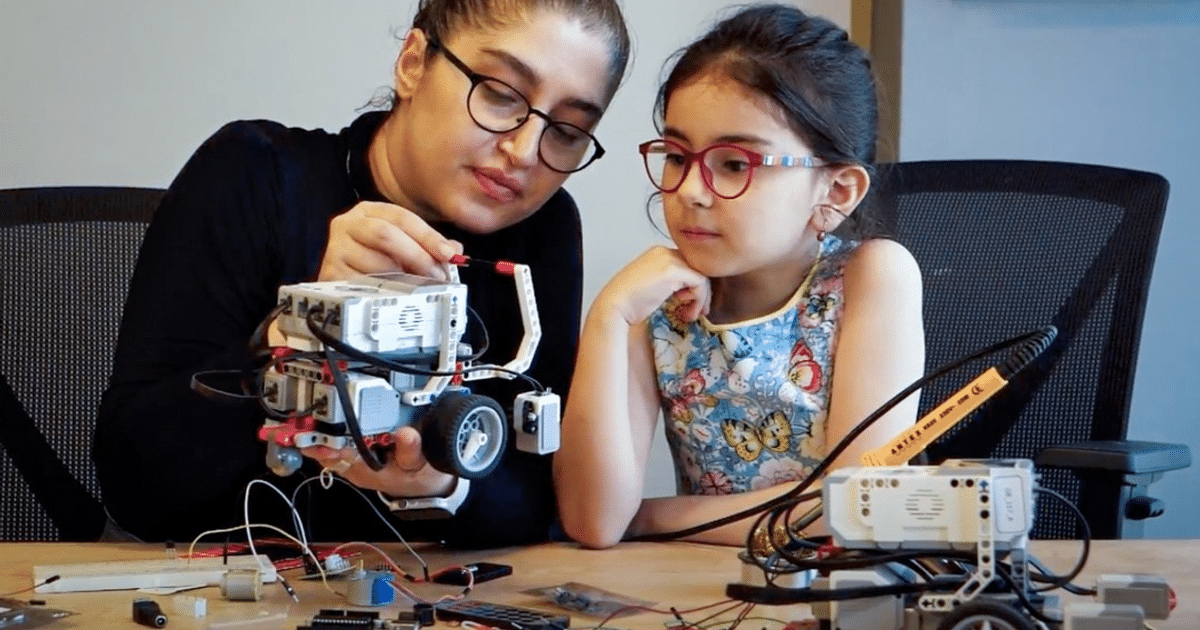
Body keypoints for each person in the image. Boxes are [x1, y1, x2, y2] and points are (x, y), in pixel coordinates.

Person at [93, 0, 630, 548]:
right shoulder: (254, 174)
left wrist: (446, 484)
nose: (524, 151)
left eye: (567, 130)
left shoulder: (542, 230)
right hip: (203, 572)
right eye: (499, 94)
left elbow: (542, 493)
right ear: (413, 63)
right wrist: (299, 330)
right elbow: (135, 480)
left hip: (416, 583)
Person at [553, 3, 925, 549]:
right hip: (706, 585)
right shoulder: (657, 301)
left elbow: (858, 507)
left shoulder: (869, 277)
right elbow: (595, 521)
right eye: (677, 156)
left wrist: (654, 518)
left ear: (836, 191)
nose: (690, 191)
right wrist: (609, 315)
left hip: (840, 585)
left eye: (734, 164)